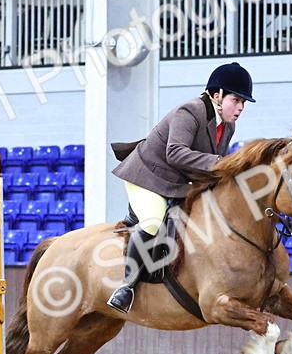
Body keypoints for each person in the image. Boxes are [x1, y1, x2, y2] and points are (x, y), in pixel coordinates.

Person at [106, 61, 255, 313]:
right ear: (216, 95)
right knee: (153, 222)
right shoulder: (190, 111)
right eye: (236, 100)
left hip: (178, 183)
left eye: (243, 103)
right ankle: (126, 287)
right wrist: (222, 163)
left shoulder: (227, 126)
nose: (240, 108)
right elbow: (175, 153)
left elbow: (212, 168)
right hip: (148, 177)